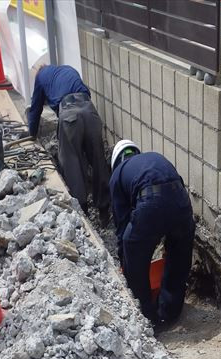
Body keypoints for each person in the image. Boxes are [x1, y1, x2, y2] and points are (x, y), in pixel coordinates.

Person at [109, 140, 195, 326]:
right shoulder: (153, 159)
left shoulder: (117, 174)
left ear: (116, 161)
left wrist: (126, 263)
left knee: (132, 246)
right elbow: (172, 196)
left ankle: (146, 315)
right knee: (179, 255)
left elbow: (122, 224)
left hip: (150, 203)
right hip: (181, 202)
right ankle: (170, 312)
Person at [27, 64, 109, 222]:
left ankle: (81, 210)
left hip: (69, 114)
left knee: (71, 162)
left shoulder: (40, 76)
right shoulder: (67, 69)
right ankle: (104, 209)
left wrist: (32, 133)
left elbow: (35, 108)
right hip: (89, 110)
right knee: (98, 159)